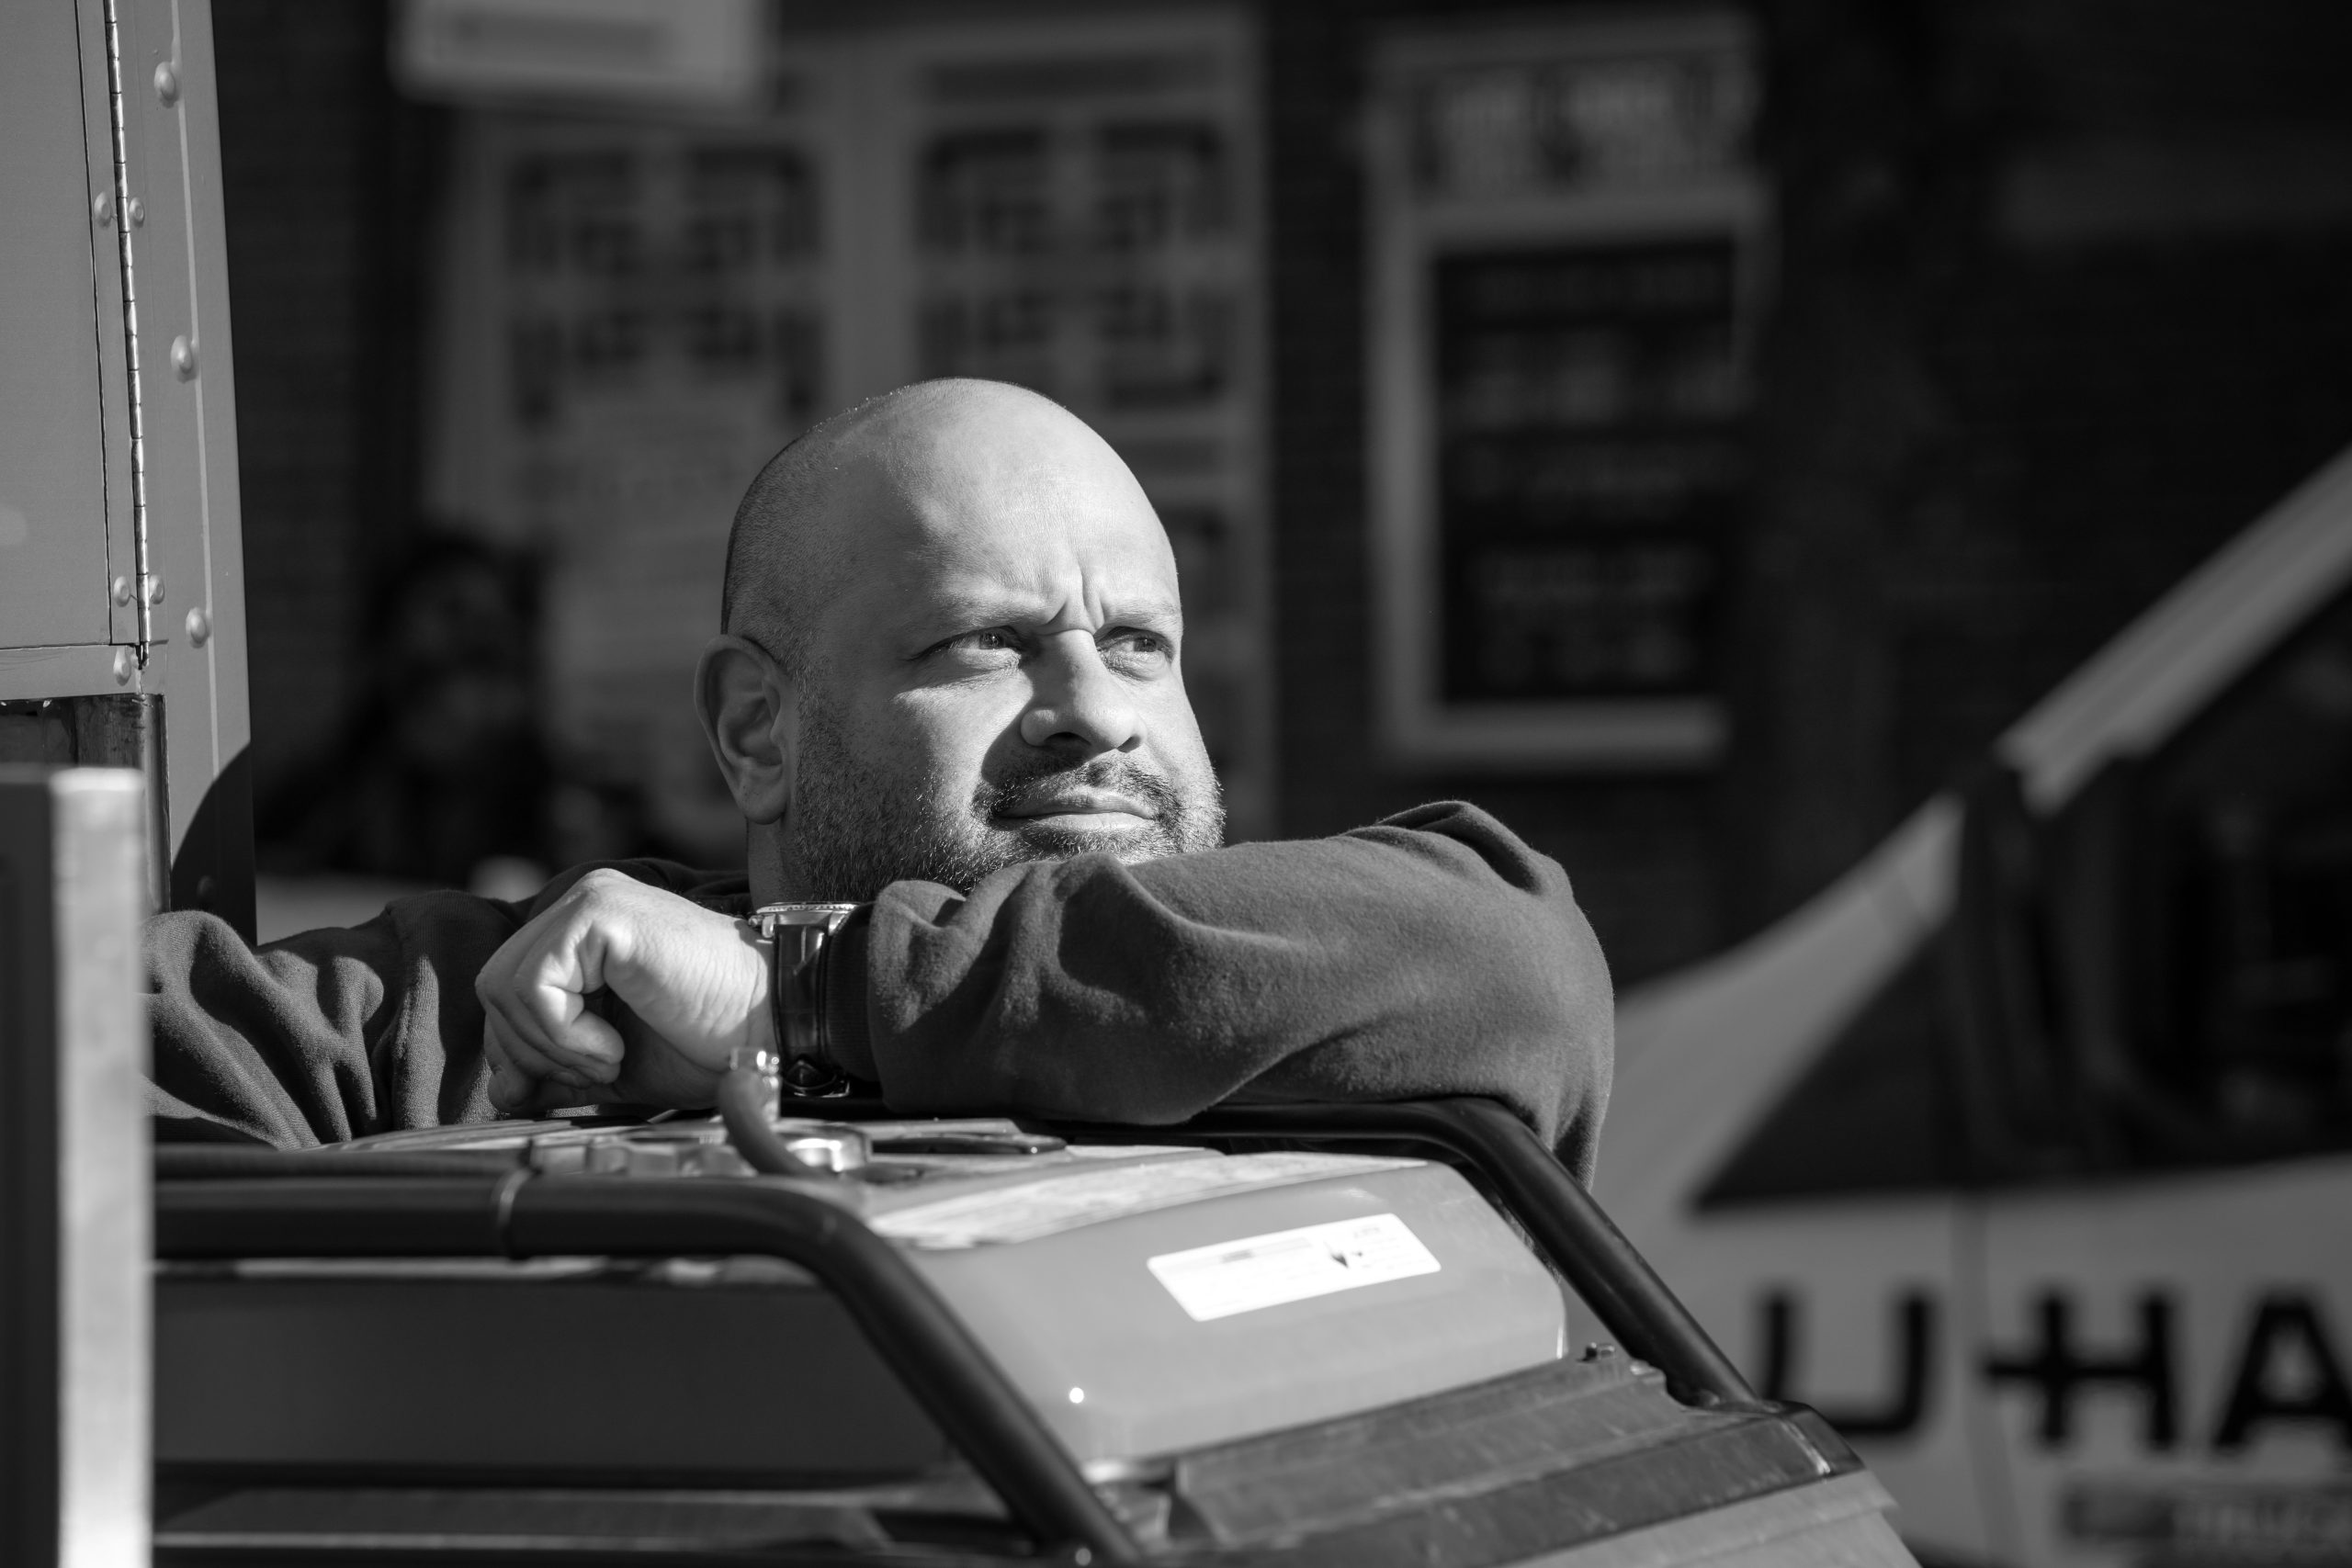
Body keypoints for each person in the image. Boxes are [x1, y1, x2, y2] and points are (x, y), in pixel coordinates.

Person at [147, 380, 1616, 1178]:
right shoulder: (520, 1013)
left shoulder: (1314, 989)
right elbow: (70, 1073)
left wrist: (798, 1009)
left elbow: (1523, 961)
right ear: (755, 730)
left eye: (1139, 641)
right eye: (989, 644)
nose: (1094, 710)